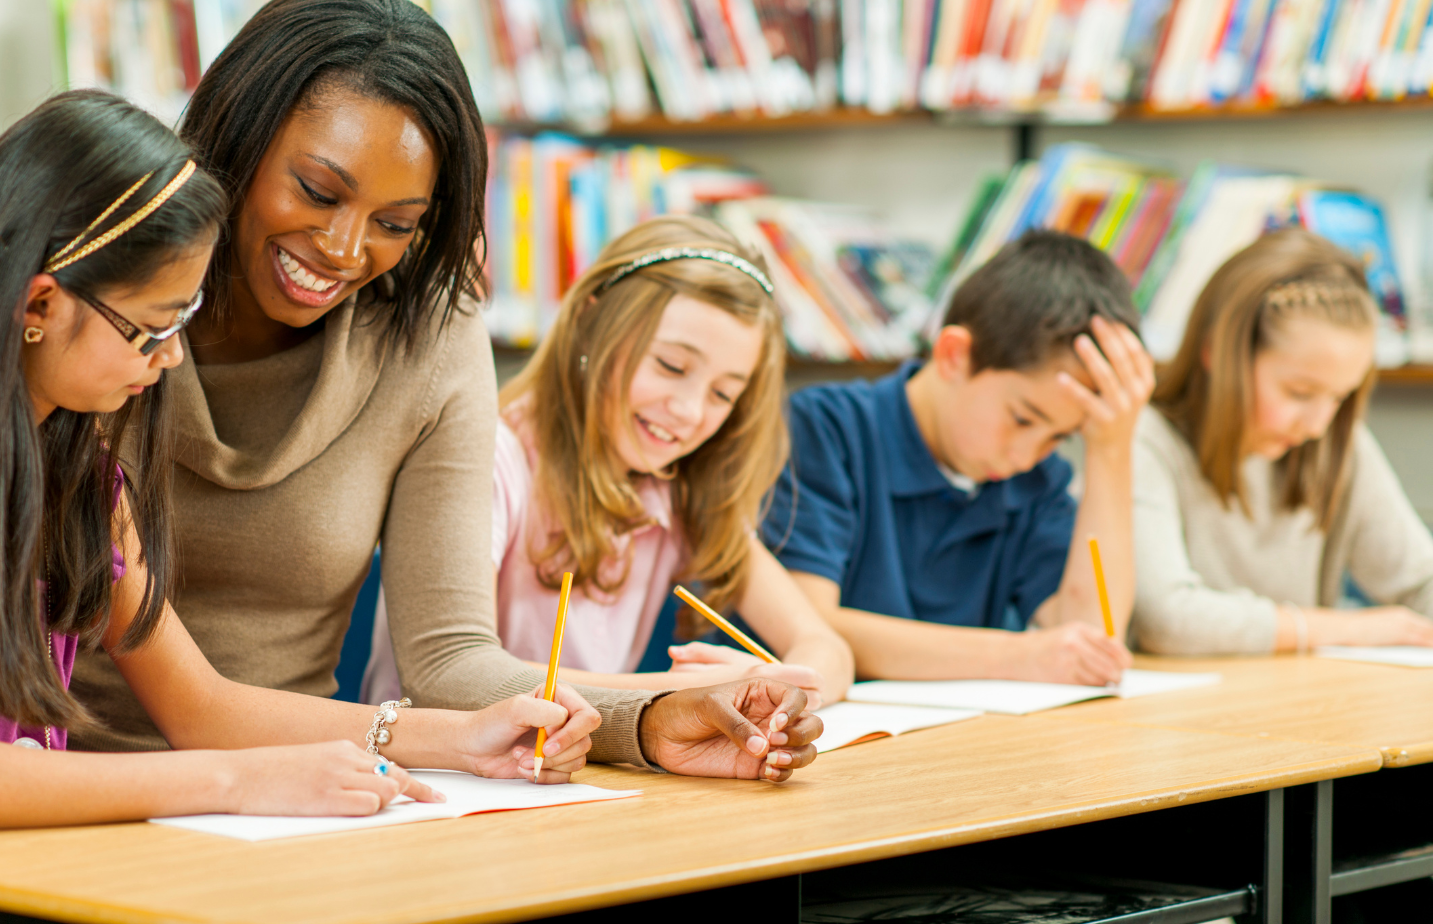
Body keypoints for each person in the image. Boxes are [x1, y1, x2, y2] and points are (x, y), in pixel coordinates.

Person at [0, 91, 609, 827]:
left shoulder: (82, 461)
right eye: (150, 328)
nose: (172, 359)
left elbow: (202, 706)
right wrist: (235, 783)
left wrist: (464, 740)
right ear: (40, 303)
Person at [67, 0, 821, 780]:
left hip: (310, 788)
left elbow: (452, 657)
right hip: (60, 778)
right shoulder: (95, 303)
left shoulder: (427, 330)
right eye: (318, 191)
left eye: (396, 222)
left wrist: (652, 721)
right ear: (238, 135)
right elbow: (192, 708)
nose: (343, 249)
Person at [365, 217, 854, 708]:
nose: (689, 411)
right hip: (428, 774)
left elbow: (826, 649)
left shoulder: (673, 487)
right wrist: (680, 694)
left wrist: (787, 689)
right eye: (670, 366)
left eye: (724, 393)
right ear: (588, 324)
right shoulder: (488, 461)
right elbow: (454, 678)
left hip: (573, 773)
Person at [764, 230, 1154, 686]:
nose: (1028, 455)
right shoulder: (825, 428)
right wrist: (1018, 656)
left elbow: (1093, 639)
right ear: (953, 356)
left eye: (1061, 436)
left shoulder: (1037, 477)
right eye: (1024, 418)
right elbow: (808, 628)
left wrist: (1111, 449)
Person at [1131, 228, 1433, 655]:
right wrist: (1338, 628)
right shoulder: (1145, 440)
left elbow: (1419, 581)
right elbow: (1167, 619)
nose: (1318, 424)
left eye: (1339, 397)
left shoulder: (1338, 444)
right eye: (1300, 393)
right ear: (1217, 352)